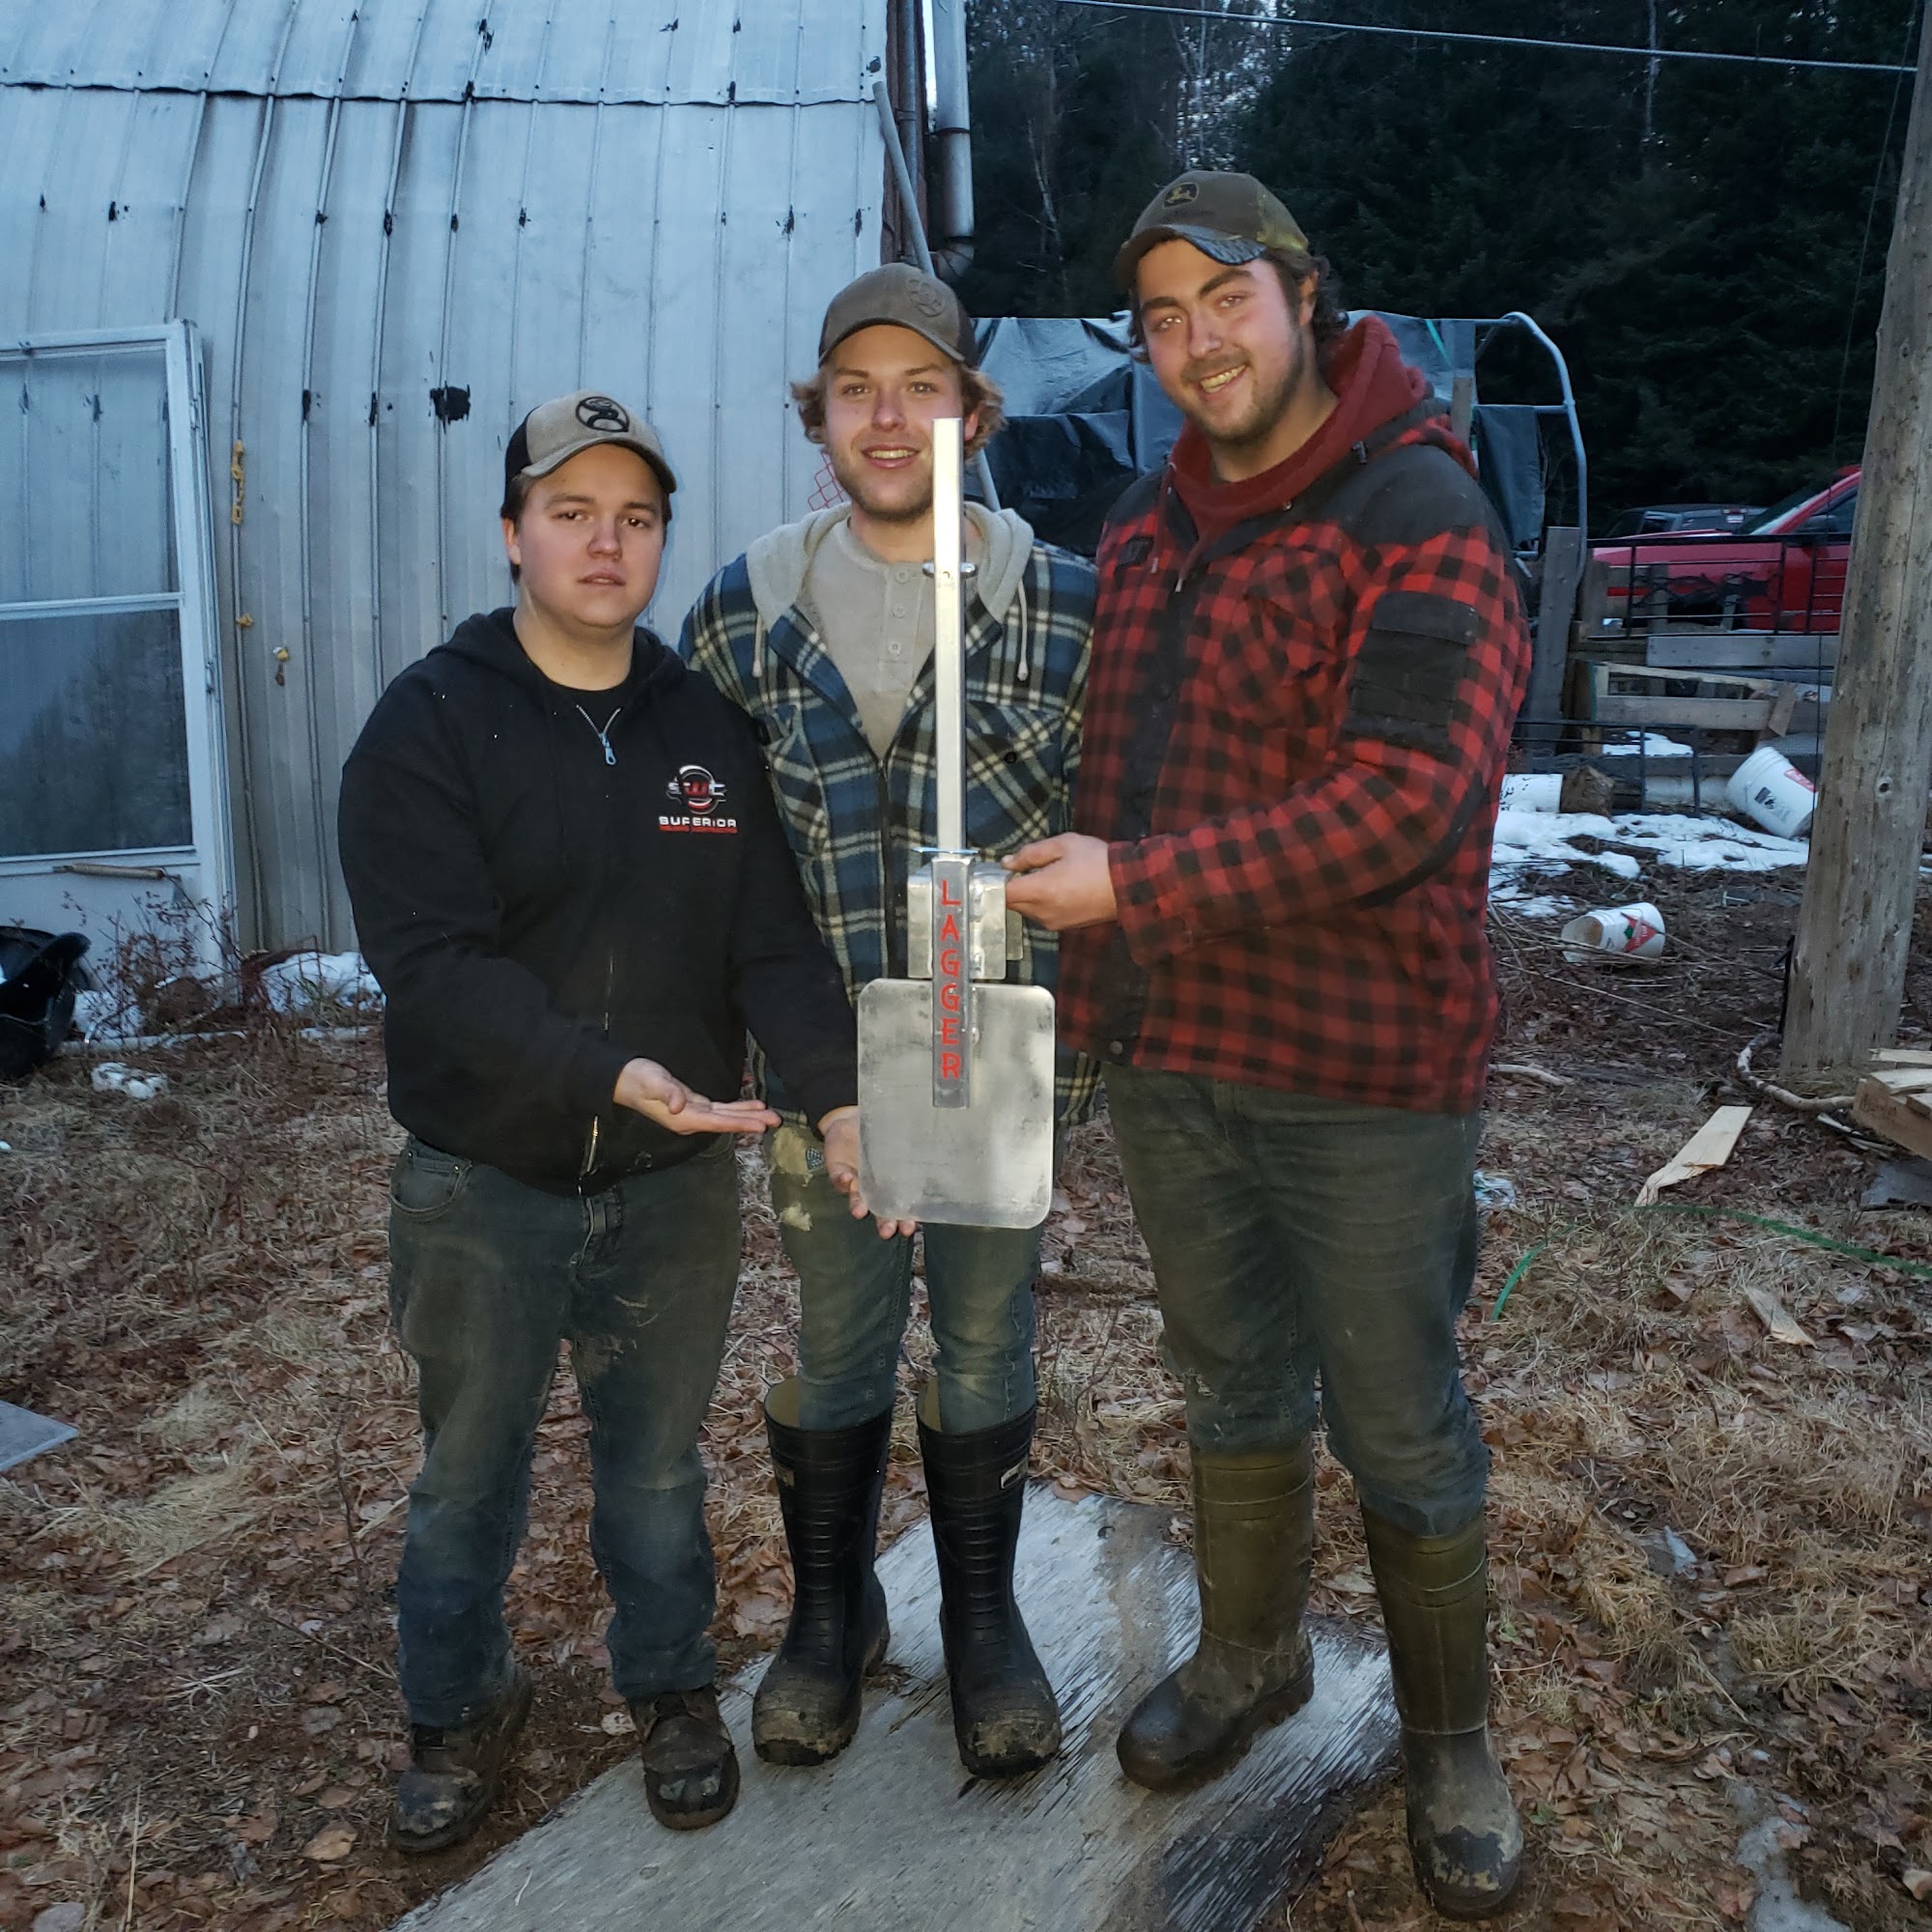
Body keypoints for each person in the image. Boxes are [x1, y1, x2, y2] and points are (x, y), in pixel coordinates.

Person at [1004, 173, 1530, 1918]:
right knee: (1230, 1380)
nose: (1194, 343)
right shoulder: (1149, 525)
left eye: (1223, 299)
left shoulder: (1419, 510)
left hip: (1364, 1072)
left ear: (1306, 297)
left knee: (1397, 1417)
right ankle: (1253, 1656)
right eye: (1159, 318)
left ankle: (1449, 1741)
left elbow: (1404, 802)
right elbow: (1117, 767)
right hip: (1181, 1057)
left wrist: (1132, 885)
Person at [338, 390, 871, 1846]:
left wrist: (834, 1099)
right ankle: (457, 1710)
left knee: (655, 1465)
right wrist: (603, 1070)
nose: (605, 542)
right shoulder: (429, 724)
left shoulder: (706, 729)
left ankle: (672, 1686)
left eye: (636, 518)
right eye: (570, 512)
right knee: (468, 1472)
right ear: (513, 534)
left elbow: (771, 945)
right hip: (484, 1181)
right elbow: (433, 966)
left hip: (669, 1182)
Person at [679, 266, 1094, 1779]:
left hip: (991, 1056)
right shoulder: (747, 612)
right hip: (821, 1064)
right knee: (840, 1335)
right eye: (856, 390)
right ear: (820, 417)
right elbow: (704, 858)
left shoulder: (1062, 605)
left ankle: (982, 1620)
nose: (888, 418)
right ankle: (829, 1613)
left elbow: (1129, 828)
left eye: (924, 389)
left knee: (985, 1335)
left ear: (975, 414)